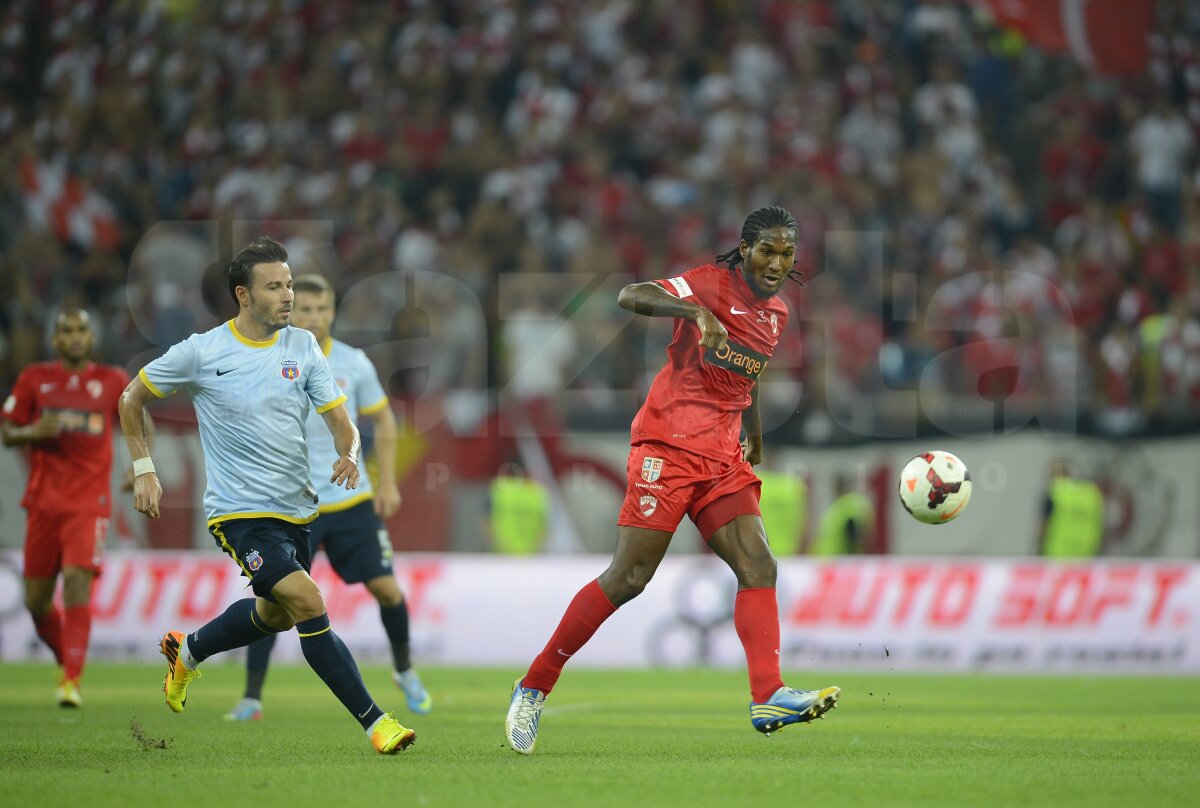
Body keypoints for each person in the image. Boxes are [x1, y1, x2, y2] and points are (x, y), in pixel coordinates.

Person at [503, 207, 839, 755]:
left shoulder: (777, 313)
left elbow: (744, 377)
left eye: (787, 254)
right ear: (746, 248)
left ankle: (768, 694)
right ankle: (534, 685)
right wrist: (694, 313)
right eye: (768, 251)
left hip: (723, 455)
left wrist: (753, 431)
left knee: (759, 564)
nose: (777, 263)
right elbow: (630, 295)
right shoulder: (707, 284)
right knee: (629, 577)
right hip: (668, 445)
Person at [117, 237, 415, 755]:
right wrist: (144, 467)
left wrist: (350, 452)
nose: (288, 296)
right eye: (274, 286)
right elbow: (132, 397)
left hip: (296, 511)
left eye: (290, 285)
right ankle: (377, 723)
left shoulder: (301, 348)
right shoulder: (202, 352)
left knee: (274, 613)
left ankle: (186, 651)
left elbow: (342, 424)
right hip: (239, 513)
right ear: (243, 295)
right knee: (306, 600)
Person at [224, 273, 431, 722]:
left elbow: (385, 421)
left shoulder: (354, 362)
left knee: (388, 589)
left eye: (323, 310)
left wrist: (389, 481)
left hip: (351, 500)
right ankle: (252, 697)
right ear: (293, 312)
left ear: (333, 312)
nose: (315, 318)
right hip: (297, 506)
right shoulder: (273, 357)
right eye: (307, 310)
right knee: (278, 602)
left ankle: (405, 670)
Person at [1, 309, 131, 707]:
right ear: (55, 339)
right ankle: (68, 662)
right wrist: (30, 432)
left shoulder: (111, 381)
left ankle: (71, 680)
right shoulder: (34, 379)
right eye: (67, 331)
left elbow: (137, 418)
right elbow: (7, 432)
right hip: (42, 504)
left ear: (92, 338)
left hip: (88, 505)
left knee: (77, 581)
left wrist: (141, 467)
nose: (75, 337)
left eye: (81, 330)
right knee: (36, 600)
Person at [1037, 459, 1105, 558]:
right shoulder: (1092, 492)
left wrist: (1038, 548)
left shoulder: (1055, 492)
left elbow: (1043, 527)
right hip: (1086, 556)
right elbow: (1100, 524)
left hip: (1057, 555)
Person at [813, 473, 875, 556]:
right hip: (830, 557)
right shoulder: (839, 505)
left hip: (840, 557)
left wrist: (851, 555)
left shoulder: (848, 505)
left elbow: (853, 534)